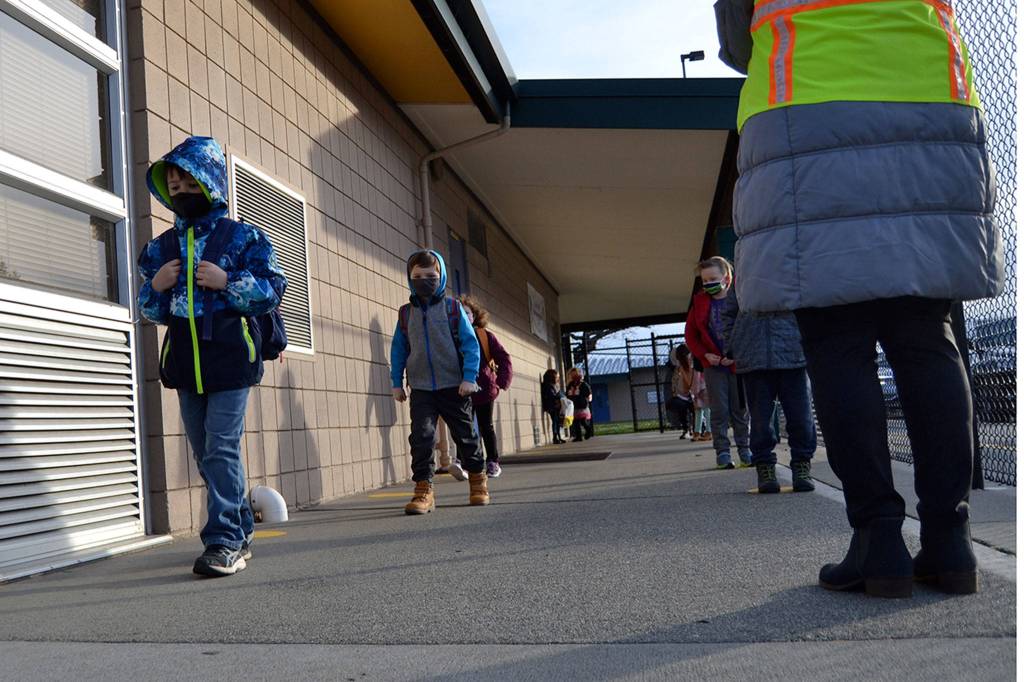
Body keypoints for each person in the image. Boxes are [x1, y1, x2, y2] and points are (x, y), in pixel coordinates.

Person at [716, 0, 1003, 596]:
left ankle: (878, 541)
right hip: (928, 95)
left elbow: (738, 41)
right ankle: (951, 541)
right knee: (927, 332)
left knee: (837, 339)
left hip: (806, 108)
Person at [138, 136, 287, 577]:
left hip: (229, 359)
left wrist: (227, 281)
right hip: (184, 362)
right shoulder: (161, 248)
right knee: (206, 455)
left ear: (209, 180)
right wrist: (156, 287)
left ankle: (222, 541)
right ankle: (240, 528)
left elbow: (271, 291)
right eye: (173, 183)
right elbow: (151, 310)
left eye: (188, 179)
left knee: (221, 448)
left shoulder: (243, 237)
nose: (180, 188)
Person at [390, 250, 488, 514]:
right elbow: (398, 350)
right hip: (421, 387)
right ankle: (424, 488)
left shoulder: (452, 309)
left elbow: (471, 345)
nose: (425, 280)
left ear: (441, 276)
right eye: (418, 276)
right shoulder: (405, 314)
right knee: (421, 437)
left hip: (455, 385)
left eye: (431, 276)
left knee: (466, 436)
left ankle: (478, 480)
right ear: (410, 279)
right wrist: (396, 382)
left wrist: (469, 378)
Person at [721, 281, 817, 493]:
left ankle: (802, 465)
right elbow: (728, 313)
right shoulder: (744, 272)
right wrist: (734, 344)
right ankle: (765, 467)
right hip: (753, 356)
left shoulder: (791, 265)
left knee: (801, 417)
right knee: (760, 420)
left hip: (793, 352)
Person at [684, 257, 752, 469]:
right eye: (704, 281)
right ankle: (722, 452)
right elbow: (691, 336)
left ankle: (745, 449)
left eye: (713, 279)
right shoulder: (700, 303)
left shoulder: (741, 299)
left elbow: (749, 328)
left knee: (740, 409)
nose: (708, 284)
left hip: (737, 364)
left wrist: (738, 353)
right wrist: (705, 356)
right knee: (719, 409)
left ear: (726, 278)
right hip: (713, 366)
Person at [460, 295, 514, 478]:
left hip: (484, 388)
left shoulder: (484, 336)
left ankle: (492, 461)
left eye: (466, 312)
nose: (463, 315)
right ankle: (465, 463)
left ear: (474, 316)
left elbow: (503, 357)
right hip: (461, 390)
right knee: (463, 427)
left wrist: (502, 381)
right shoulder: (452, 337)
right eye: (459, 312)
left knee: (485, 426)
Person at [666, 346, 695, 439]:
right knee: (680, 406)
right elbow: (675, 384)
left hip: (694, 394)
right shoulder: (678, 369)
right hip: (682, 395)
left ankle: (698, 429)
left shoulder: (692, 366)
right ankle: (686, 429)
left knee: (697, 410)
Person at [566, 368, 594, 441]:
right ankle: (579, 436)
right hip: (574, 404)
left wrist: (587, 399)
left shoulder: (583, 384)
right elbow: (568, 393)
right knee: (575, 422)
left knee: (583, 420)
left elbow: (588, 392)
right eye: (572, 374)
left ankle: (588, 430)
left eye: (575, 374)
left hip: (582, 404)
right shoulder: (570, 384)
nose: (574, 376)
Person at [541, 370, 565, 444]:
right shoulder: (548, 386)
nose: (558, 379)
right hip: (552, 406)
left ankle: (558, 436)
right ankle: (555, 437)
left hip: (555, 406)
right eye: (557, 377)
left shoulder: (553, 385)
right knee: (555, 421)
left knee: (557, 421)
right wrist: (559, 396)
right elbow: (552, 396)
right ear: (552, 377)